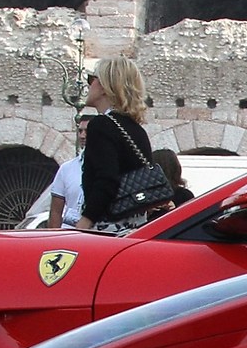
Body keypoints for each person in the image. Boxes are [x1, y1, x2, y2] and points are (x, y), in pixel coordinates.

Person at [77, 59, 158, 233]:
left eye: (92, 79)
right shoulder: (137, 130)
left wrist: (85, 220)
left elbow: (106, 179)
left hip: (107, 226)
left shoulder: (101, 125)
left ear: (106, 86)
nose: (89, 85)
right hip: (135, 226)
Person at [37, 118, 90, 229]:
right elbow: (56, 212)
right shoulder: (66, 169)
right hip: (70, 235)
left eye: (87, 131)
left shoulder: (113, 168)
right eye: (80, 131)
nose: (82, 136)